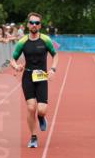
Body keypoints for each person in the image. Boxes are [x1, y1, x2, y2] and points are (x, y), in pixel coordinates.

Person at [9, 12, 58, 149]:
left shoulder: (46, 40)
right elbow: (12, 59)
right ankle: (33, 137)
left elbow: (55, 55)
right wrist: (16, 66)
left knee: (41, 110)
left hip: (42, 77)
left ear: (40, 25)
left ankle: (41, 117)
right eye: (32, 22)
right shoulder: (22, 42)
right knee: (31, 108)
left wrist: (53, 69)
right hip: (28, 77)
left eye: (37, 23)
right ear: (28, 25)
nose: (34, 25)